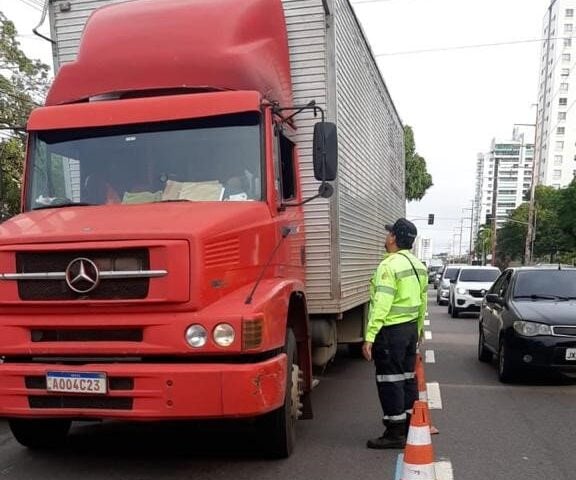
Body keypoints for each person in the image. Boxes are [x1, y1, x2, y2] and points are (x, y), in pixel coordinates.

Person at [362, 218, 428, 449]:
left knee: (389, 380)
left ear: (394, 238)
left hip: (391, 331)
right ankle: (410, 426)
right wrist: (418, 330)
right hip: (409, 330)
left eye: (389, 233)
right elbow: (422, 302)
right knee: (407, 378)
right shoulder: (418, 266)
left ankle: (394, 432)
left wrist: (370, 336)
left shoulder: (389, 266)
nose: (386, 236)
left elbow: (382, 303)